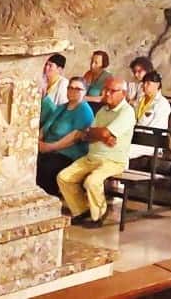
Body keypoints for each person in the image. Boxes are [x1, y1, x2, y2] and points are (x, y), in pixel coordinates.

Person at [57, 76, 135, 227]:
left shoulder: (127, 112)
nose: (107, 94)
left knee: (92, 181)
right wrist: (103, 135)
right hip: (91, 157)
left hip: (113, 161)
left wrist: (101, 134)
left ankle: (99, 215)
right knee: (64, 177)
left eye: (113, 91)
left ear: (123, 94)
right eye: (106, 90)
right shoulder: (102, 111)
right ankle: (81, 210)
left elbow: (101, 133)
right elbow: (88, 134)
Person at [37, 77, 95, 195]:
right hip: (47, 149)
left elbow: (74, 138)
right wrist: (37, 142)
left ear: (85, 92)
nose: (73, 91)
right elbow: (46, 127)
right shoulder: (61, 107)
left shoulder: (84, 110)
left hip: (67, 154)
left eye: (78, 89)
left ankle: (49, 199)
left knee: (46, 168)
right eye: (70, 88)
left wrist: (49, 147)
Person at [128, 71, 171, 161]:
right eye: (144, 83)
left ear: (157, 85)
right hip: (136, 137)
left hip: (151, 141)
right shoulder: (141, 99)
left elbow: (156, 127)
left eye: (148, 83)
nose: (144, 86)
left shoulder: (162, 103)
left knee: (125, 150)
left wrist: (138, 135)